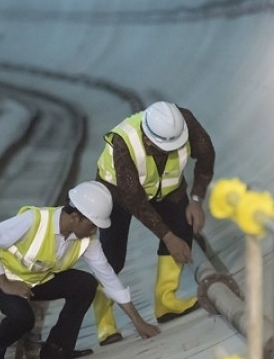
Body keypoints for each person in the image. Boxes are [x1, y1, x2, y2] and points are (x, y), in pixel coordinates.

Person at [0, 181, 160, 359]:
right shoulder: (34, 220)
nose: (94, 230)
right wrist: (4, 283)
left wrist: (138, 321)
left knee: (85, 284)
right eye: (92, 225)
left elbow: (108, 278)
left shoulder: (87, 241)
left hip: (38, 281)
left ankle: (57, 348)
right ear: (74, 217)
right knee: (23, 318)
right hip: (4, 281)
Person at [92, 101, 215, 346]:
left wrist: (197, 199)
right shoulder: (123, 143)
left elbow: (206, 155)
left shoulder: (184, 121)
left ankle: (166, 301)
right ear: (148, 140)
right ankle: (104, 321)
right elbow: (135, 200)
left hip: (168, 187)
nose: (169, 152)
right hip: (117, 192)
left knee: (183, 228)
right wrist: (167, 237)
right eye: (162, 148)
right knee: (112, 256)